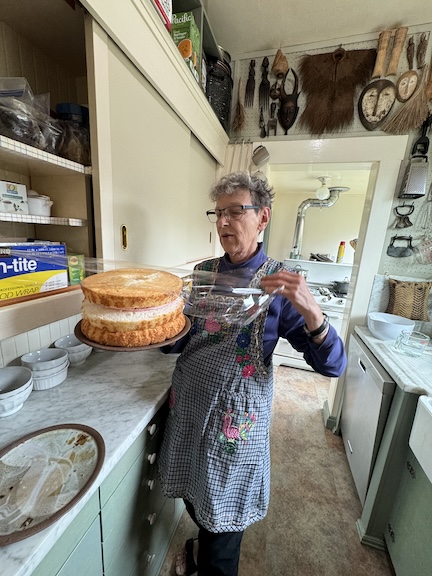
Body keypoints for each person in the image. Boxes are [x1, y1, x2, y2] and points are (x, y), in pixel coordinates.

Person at [158, 171, 347, 576]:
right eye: (218, 213)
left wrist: (313, 312)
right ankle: (199, 547)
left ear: (263, 218)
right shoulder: (204, 273)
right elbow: (180, 341)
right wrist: (161, 321)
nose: (224, 222)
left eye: (235, 211)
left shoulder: (278, 284)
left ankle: (209, 558)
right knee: (195, 496)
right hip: (189, 409)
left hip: (234, 426)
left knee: (223, 532)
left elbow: (332, 365)